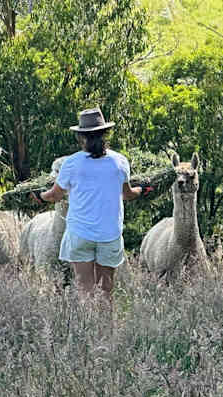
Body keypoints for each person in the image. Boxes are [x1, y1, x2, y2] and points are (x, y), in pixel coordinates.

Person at [37, 107, 149, 299]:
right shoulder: (120, 162)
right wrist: (142, 190)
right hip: (110, 234)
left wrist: (40, 196)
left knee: (85, 292)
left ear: (82, 137)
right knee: (106, 292)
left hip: (80, 234)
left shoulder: (71, 163)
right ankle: (105, 329)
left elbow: (55, 195)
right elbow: (127, 194)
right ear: (105, 133)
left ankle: (87, 328)